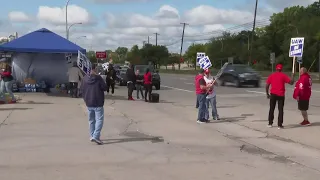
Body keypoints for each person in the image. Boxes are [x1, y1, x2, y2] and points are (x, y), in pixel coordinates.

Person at [80, 64, 107, 145]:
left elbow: (81, 90)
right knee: (99, 120)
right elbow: (105, 87)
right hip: (98, 102)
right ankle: (95, 136)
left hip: (89, 102)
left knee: (91, 120)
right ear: (94, 69)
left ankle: (92, 136)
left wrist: (85, 98)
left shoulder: (84, 78)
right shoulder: (98, 78)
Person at [266, 64, 294, 129]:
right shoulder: (283, 75)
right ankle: (280, 125)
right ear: (281, 69)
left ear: (276, 69)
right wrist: (292, 76)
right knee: (280, 110)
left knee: (271, 109)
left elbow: (267, 85)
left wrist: (267, 94)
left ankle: (270, 123)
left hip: (273, 94)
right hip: (281, 95)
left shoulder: (272, 75)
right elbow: (291, 83)